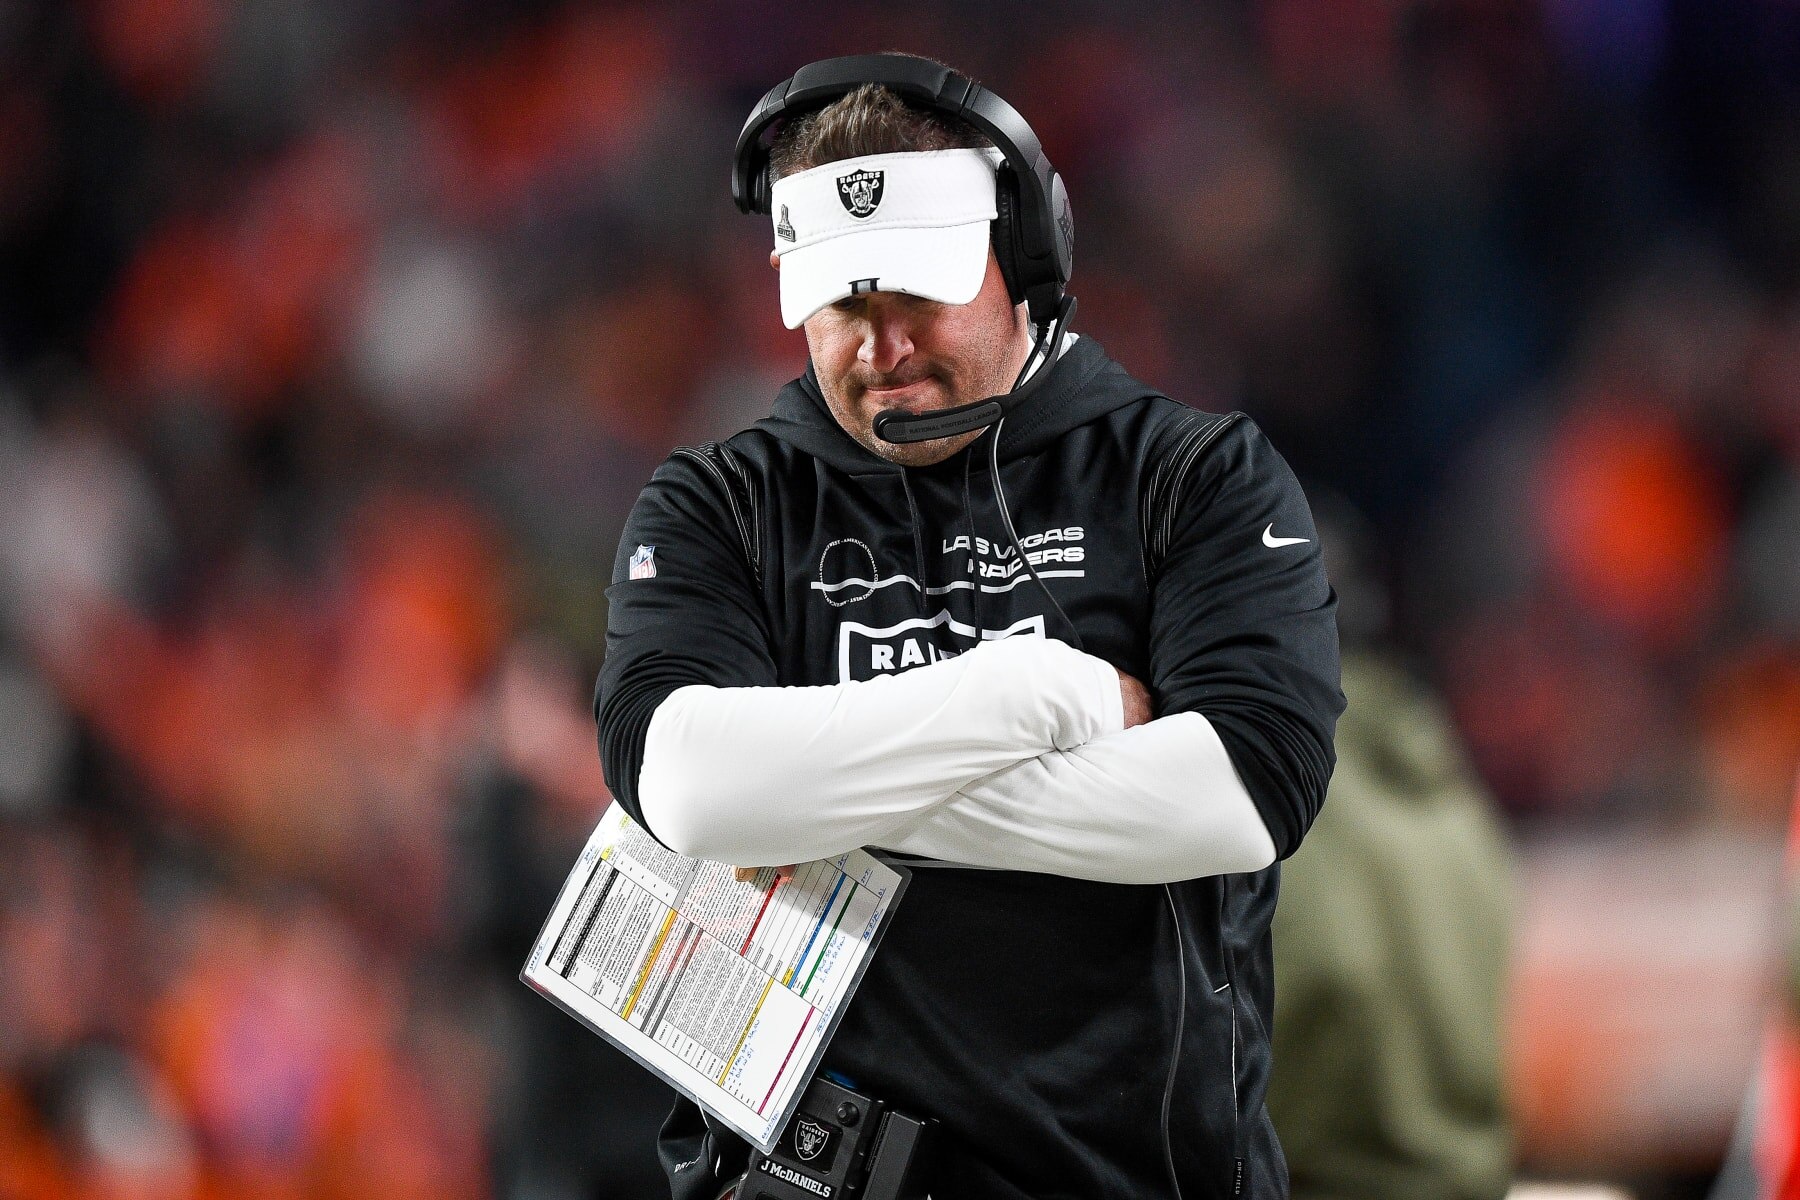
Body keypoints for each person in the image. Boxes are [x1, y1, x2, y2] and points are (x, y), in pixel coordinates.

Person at [595, 54, 1343, 1200]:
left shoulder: (1190, 478)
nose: (880, 348)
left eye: (919, 295)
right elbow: (689, 789)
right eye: (844, 303)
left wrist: (811, 793)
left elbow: (1240, 797)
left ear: (1025, 266)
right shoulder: (719, 504)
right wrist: (1043, 699)